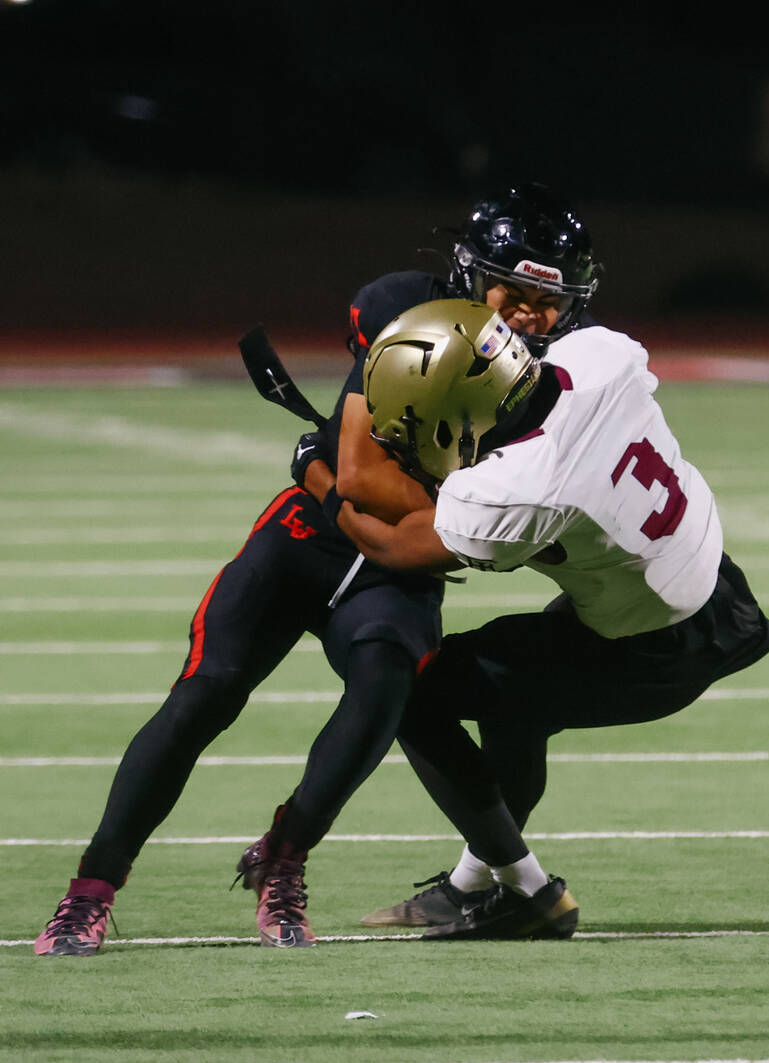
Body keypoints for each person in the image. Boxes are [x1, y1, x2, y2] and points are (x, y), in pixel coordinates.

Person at [33, 183, 602, 956]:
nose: (531, 315)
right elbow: (368, 476)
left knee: (384, 692)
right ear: (474, 277)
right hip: (307, 537)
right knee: (206, 692)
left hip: (390, 560)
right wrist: (385, 499)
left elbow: (431, 511)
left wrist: (330, 476)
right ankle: (91, 889)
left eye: (548, 299)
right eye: (516, 293)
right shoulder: (404, 309)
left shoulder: (563, 383)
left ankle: (283, 855)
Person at [305, 298, 769, 940]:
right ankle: (475, 884)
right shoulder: (600, 354)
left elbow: (395, 545)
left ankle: (528, 892)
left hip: (653, 648)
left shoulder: (518, 487)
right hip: (710, 583)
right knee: (513, 692)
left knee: (414, 694)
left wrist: (322, 483)